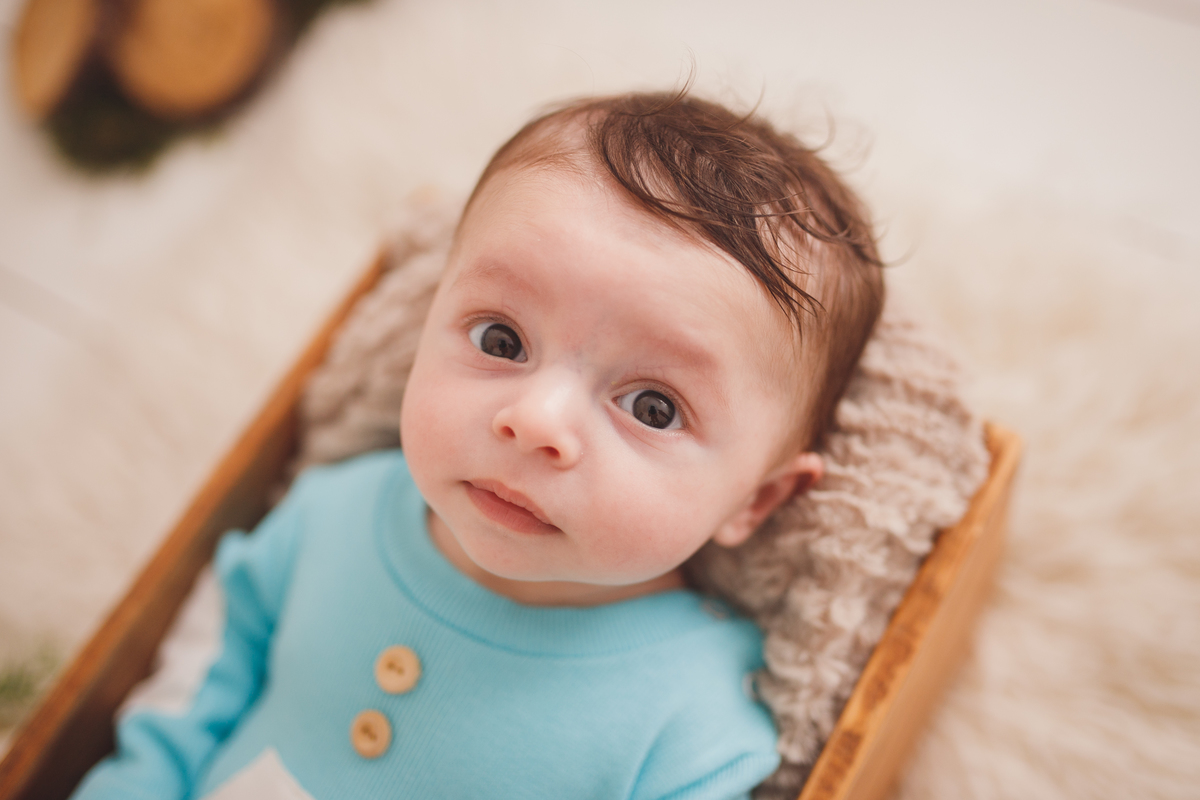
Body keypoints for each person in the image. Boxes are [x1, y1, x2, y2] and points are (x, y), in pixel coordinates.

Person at [72, 91, 884, 800]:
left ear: (757, 499)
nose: (535, 421)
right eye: (501, 339)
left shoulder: (692, 720)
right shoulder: (335, 511)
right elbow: (200, 679)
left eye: (653, 406)